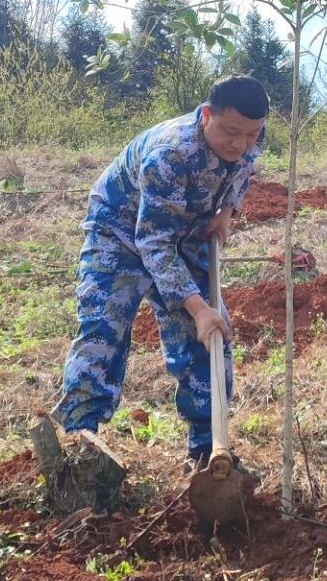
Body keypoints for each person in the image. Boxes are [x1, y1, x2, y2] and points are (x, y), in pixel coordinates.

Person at [50, 75, 269, 468]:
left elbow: (242, 169)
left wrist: (225, 213)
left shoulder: (250, 138)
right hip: (118, 231)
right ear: (206, 116)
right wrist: (197, 307)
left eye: (252, 134)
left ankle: (208, 453)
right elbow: (152, 243)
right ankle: (78, 449)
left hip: (186, 230)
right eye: (232, 132)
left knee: (210, 335)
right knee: (105, 328)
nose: (241, 144)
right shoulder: (170, 154)